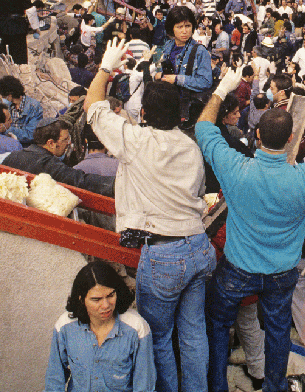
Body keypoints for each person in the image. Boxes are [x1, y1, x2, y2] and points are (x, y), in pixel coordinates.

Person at [196, 65, 305, 392]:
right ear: (290, 140)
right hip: (283, 271)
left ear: (256, 135)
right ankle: (274, 387)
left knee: (216, 326)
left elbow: (202, 127)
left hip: (237, 269)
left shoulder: (236, 167)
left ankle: (216, 386)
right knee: (279, 330)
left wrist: (222, 88)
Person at [85, 39, 215, 392]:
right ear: (181, 116)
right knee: (192, 334)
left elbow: (93, 108)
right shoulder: (190, 146)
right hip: (199, 248)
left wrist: (105, 68)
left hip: (164, 256)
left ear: (143, 115)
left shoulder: (135, 141)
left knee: (158, 338)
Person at [45, 260, 155, 392]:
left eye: (110, 295)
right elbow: (54, 382)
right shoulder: (64, 327)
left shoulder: (137, 328)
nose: (106, 305)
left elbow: (144, 387)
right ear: (81, 299)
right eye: (96, 299)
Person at [2, 120, 115, 197]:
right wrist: (116, 184)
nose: (69, 142)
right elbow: (80, 180)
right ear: (51, 143)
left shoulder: (13, 156)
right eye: (65, 139)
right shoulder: (47, 164)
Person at [158, 5, 213, 128]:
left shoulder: (199, 51)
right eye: (179, 27)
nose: (184, 31)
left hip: (187, 111)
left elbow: (206, 81)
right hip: (168, 106)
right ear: (172, 28)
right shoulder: (168, 46)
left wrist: (177, 79)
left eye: (187, 26)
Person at [0, 75, 43, 145]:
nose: (2, 98)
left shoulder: (33, 107)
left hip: (26, 147)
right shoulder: (8, 107)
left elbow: (31, 135)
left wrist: (7, 129)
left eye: (3, 96)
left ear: (10, 94)